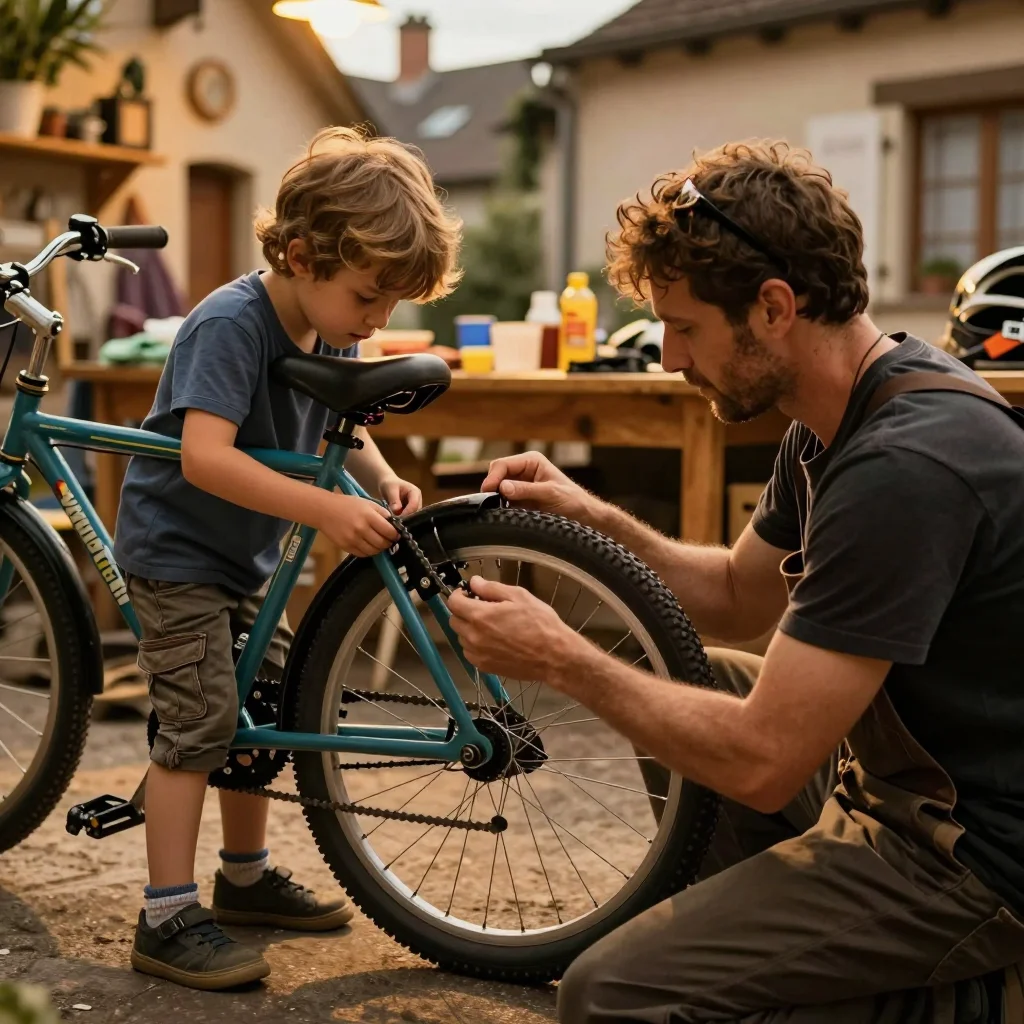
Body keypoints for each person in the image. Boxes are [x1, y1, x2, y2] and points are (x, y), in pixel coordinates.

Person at [448, 140, 1024, 1023]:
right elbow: (734, 594)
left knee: (611, 996)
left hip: (971, 857)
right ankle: (767, 965)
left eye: (685, 328)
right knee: (696, 670)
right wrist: (591, 516)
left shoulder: (906, 467)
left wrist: (563, 660)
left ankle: (975, 997)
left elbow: (763, 762)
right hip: (887, 786)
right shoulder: (833, 417)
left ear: (774, 307)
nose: (669, 358)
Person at [113, 126, 462, 991]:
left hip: (246, 558)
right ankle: (164, 916)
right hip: (179, 555)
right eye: (369, 296)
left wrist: (382, 479)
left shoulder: (329, 323)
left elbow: (348, 429)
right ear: (302, 257)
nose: (377, 321)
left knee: (260, 708)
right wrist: (328, 510)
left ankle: (244, 878)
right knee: (198, 724)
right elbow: (205, 458)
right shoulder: (232, 324)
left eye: (391, 304)